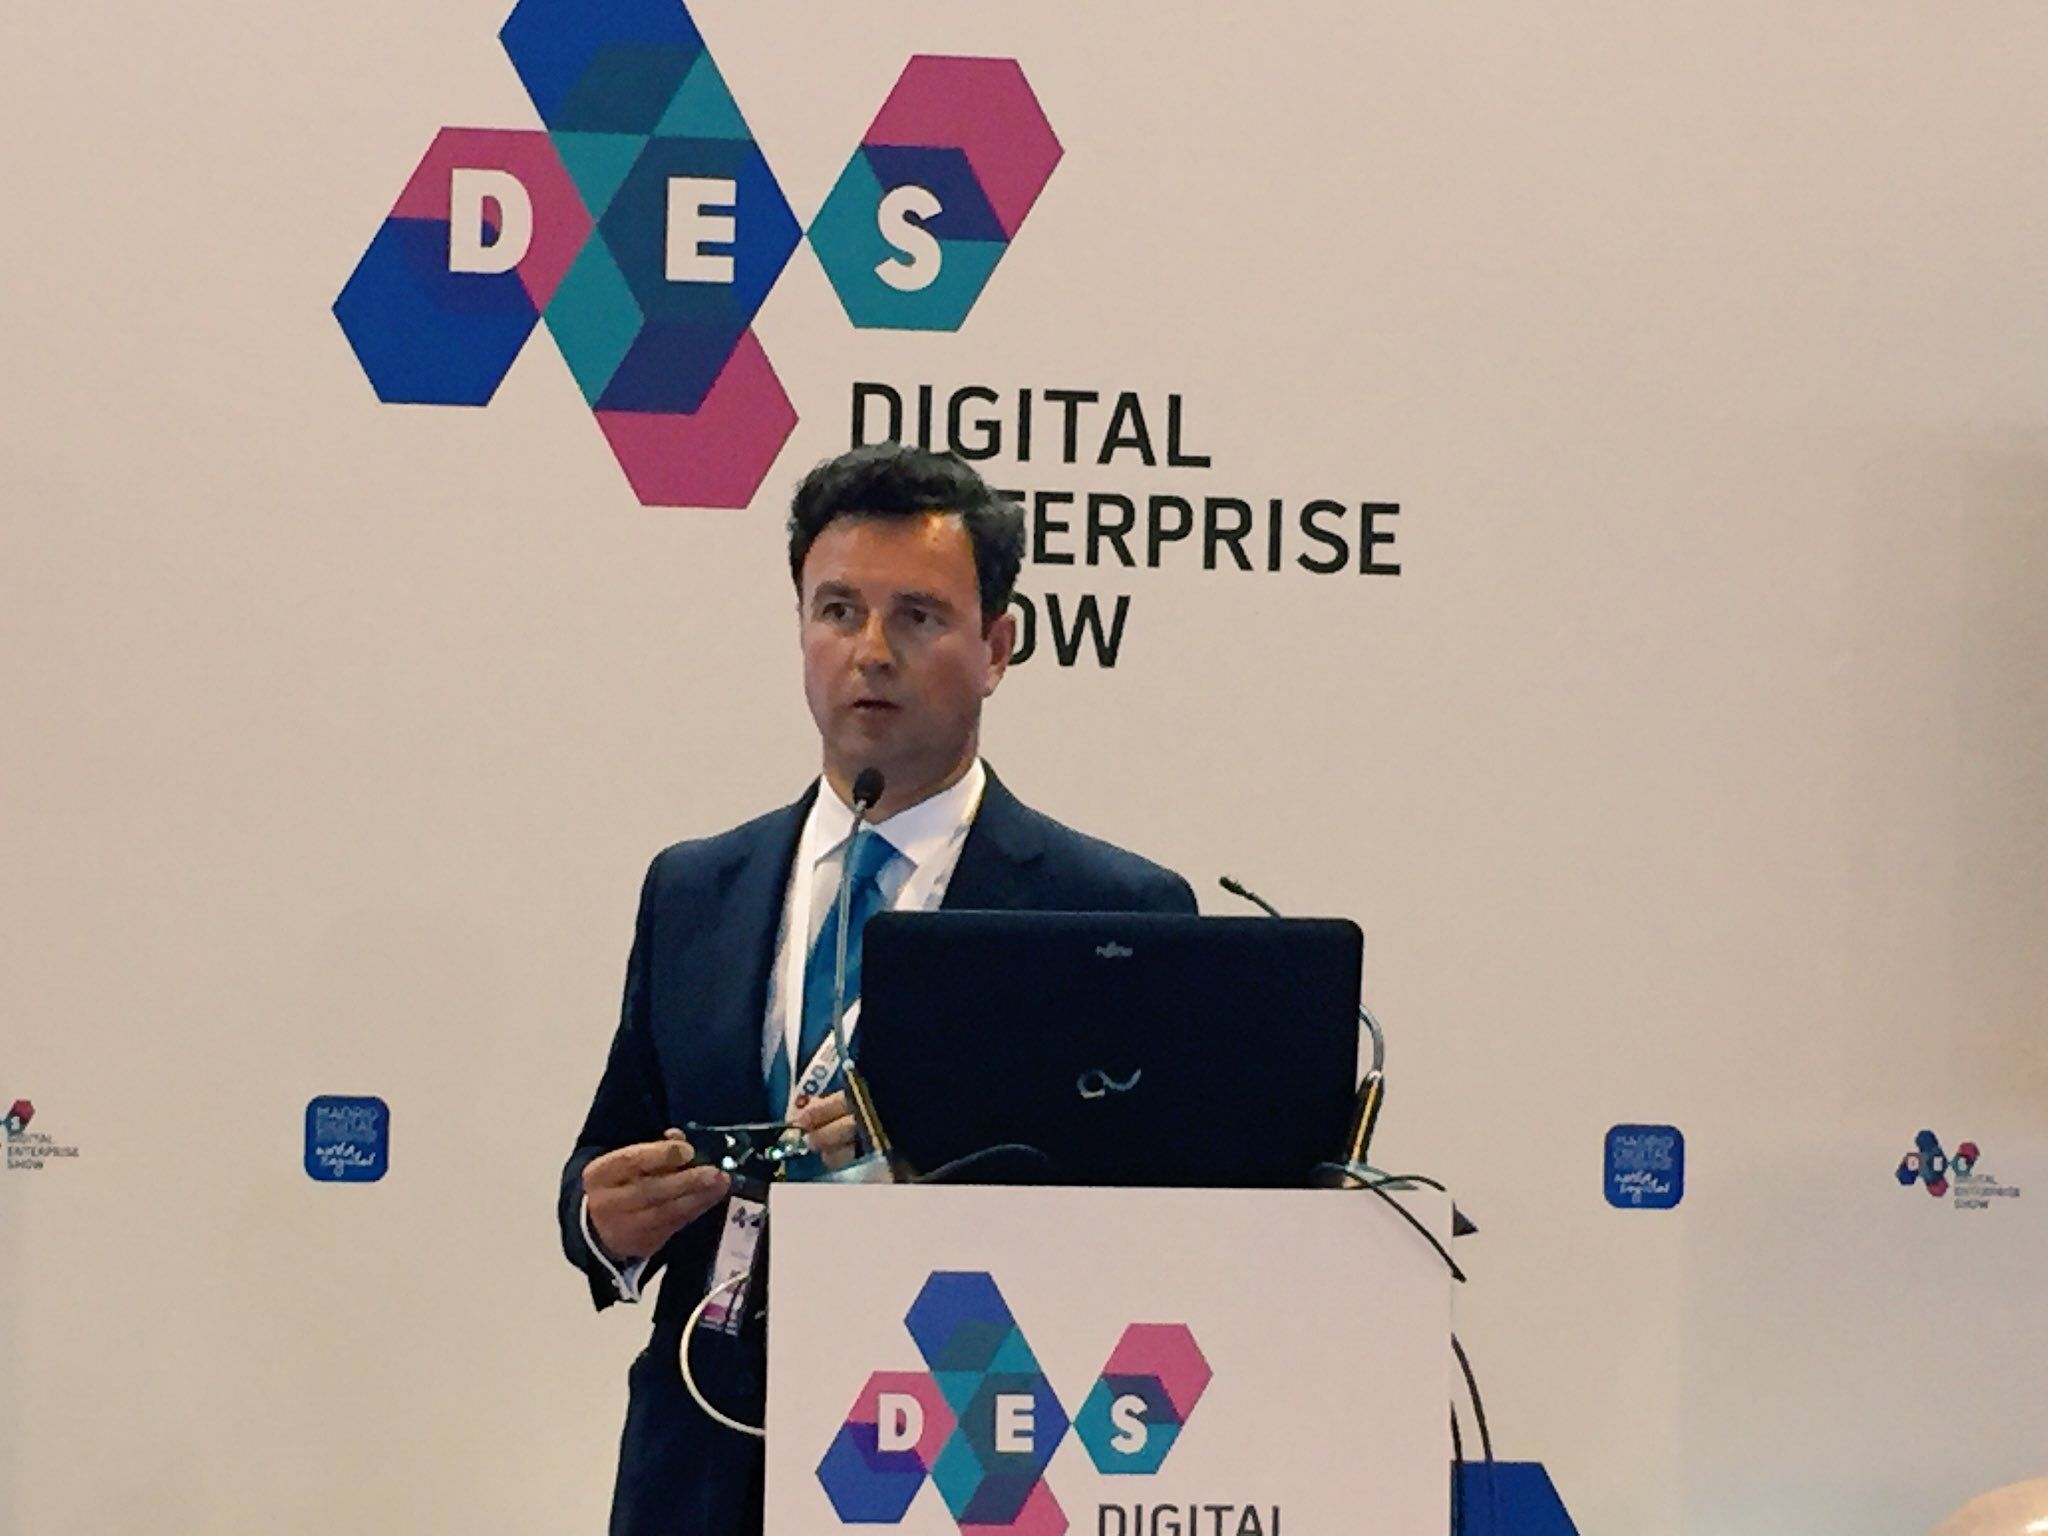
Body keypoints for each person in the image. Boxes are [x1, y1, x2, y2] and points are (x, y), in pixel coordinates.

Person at [557, 442, 1197, 1536]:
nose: (871, 651)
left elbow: (1157, 1230)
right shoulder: (696, 889)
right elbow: (608, 1151)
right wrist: (600, 1221)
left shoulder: (1113, 914)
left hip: (970, 1451)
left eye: (918, 617)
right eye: (839, 610)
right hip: (706, 1462)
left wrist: (925, 1159)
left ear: (998, 647)